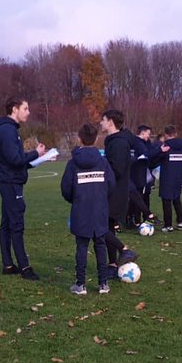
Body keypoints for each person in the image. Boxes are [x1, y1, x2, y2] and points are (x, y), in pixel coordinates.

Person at [0, 97, 46, 281]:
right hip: (10, 182)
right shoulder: (7, 131)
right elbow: (15, 160)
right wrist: (35, 153)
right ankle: (25, 267)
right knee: (16, 224)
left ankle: (8, 265)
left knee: (7, 222)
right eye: (25, 108)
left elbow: (15, 160)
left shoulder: (10, 130)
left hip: (10, 180)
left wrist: (36, 159)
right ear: (14, 109)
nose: (28, 112)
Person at [61, 123, 114, 295]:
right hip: (99, 210)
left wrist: (76, 200)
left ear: (79, 138)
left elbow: (66, 188)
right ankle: (103, 283)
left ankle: (81, 284)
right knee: (100, 245)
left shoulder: (73, 164)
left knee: (82, 246)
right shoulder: (103, 162)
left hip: (81, 210)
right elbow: (111, 184)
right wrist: (101, 198)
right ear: (96, 139)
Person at [99, 109, 141, 272]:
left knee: (99, 226)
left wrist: (101, 168)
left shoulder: (119, 143)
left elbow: (117, 169)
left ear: (110, 122)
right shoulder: (114, 141)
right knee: (108, 227)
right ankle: (113, 264)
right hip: (112, 190)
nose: (101, 123)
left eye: (103, 120)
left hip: (115, 192)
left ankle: (124, 250)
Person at [149, 125, 182, 231]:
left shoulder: (166, 146)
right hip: (178, 176)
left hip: (167, 176)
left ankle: (168, 225)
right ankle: (180, 222)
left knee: (166, 201)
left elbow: (154, 159)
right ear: (175, 133)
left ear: (166, 135)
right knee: (176, 199)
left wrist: (158, 153)